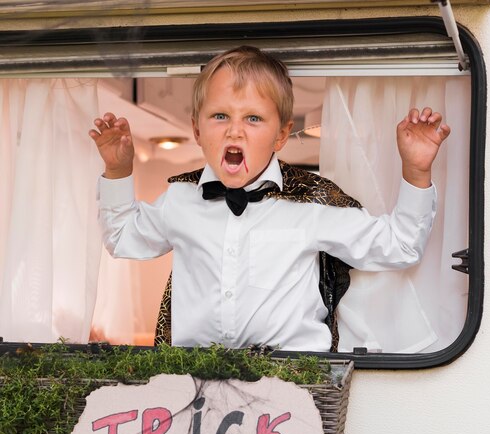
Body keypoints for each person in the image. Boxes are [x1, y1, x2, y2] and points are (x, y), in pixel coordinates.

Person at [90, 46, 450, 352]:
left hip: (294, 383)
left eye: (253, 118)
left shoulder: (313, 204)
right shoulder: (180, 200)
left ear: (281, 135)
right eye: (220, 116)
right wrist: (118, 170)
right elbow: (123, 237)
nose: (234, 130)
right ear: (197, 130)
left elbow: (399, 246)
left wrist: (415, 170)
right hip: (195, 380)